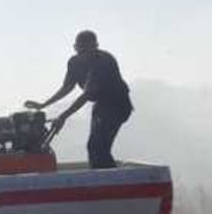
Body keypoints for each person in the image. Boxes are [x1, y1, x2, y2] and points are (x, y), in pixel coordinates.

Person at [25, 30, 133, 169]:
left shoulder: (104, 61)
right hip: (100, 104)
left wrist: (63, 116)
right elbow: (67, 87)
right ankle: (100, 175)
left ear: (95, 47)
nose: (83, 55)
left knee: (97, 147)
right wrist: (43, 105)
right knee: (94, 147)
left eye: (87, 50)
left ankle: (111, 179)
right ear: (75, 48)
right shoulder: (74, 62)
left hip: (118, 105)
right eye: (80, 50)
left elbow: (87, 94)